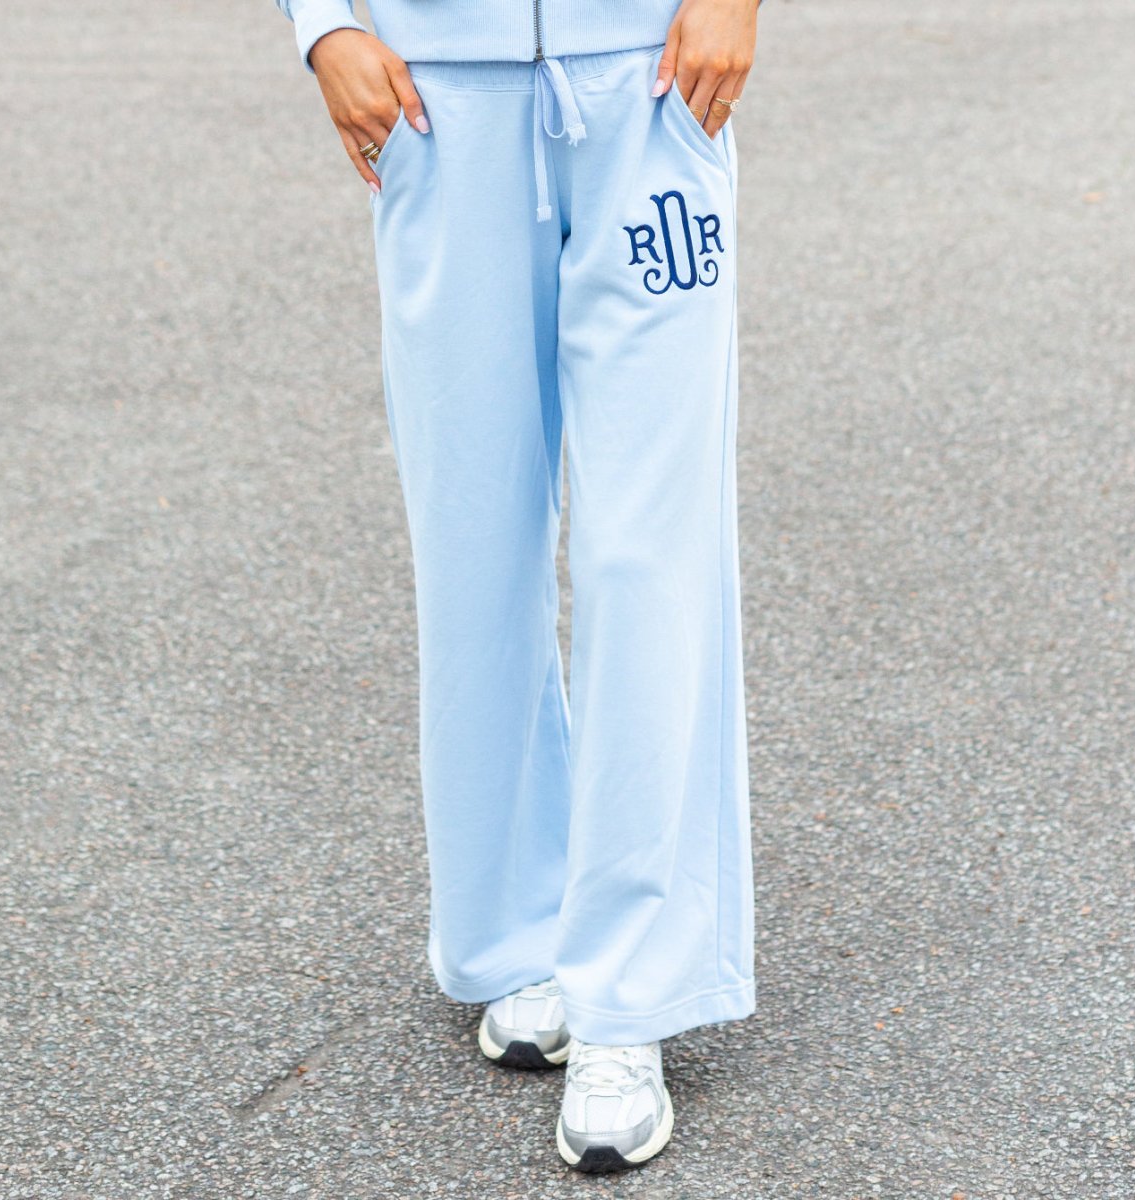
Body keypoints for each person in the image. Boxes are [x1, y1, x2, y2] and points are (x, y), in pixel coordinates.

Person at [274, 0, 764, 1174]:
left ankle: (629, 997)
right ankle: (522, 935)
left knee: (647, 553)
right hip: (436, 103)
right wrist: (321, 29)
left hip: (650, 88)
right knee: (472, 542)